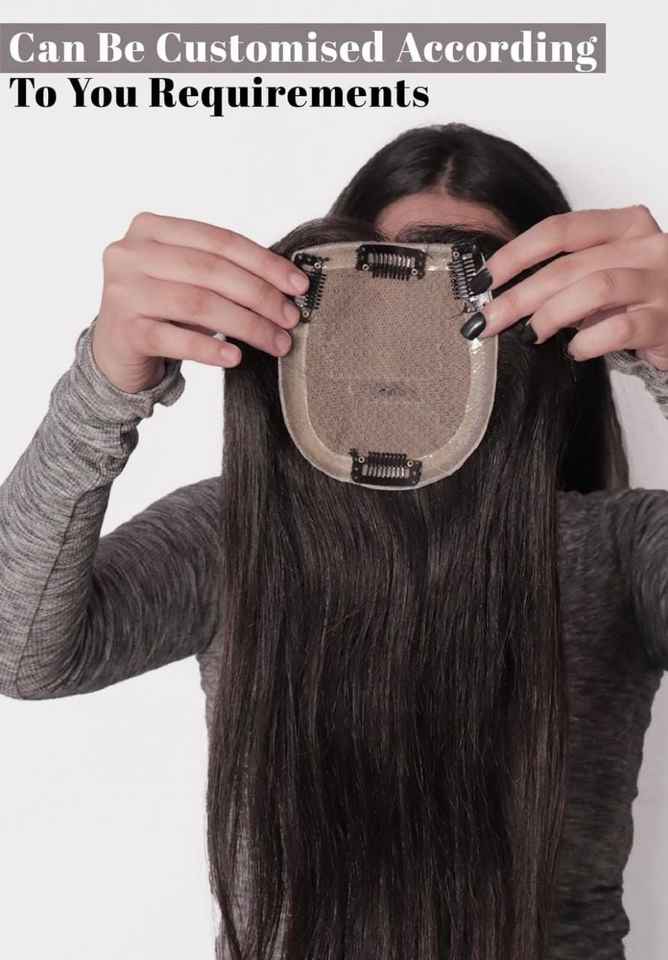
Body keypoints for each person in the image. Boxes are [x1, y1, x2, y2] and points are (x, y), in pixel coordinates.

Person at [1, 122, 667, 960]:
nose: (413, 347)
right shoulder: (241, 532)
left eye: (466, 301)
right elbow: (20, 649)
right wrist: (103, 384)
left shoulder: (616, 551)